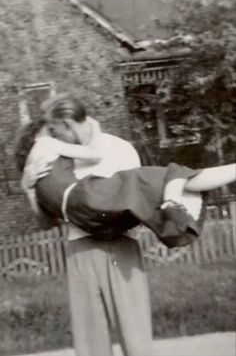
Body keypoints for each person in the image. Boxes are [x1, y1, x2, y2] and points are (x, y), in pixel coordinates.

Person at [18, 93, 236, 248]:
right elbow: (94, 154)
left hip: (101, 228)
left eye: (54, 131)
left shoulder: (41, 171)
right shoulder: (48, 149)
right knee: (165, 176)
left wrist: (29, 189)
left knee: (159, 181)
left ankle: (172, 208)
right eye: (51, 132)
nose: (55, 136)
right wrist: (94, 125)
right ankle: (172, 206)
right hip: (86, 227)